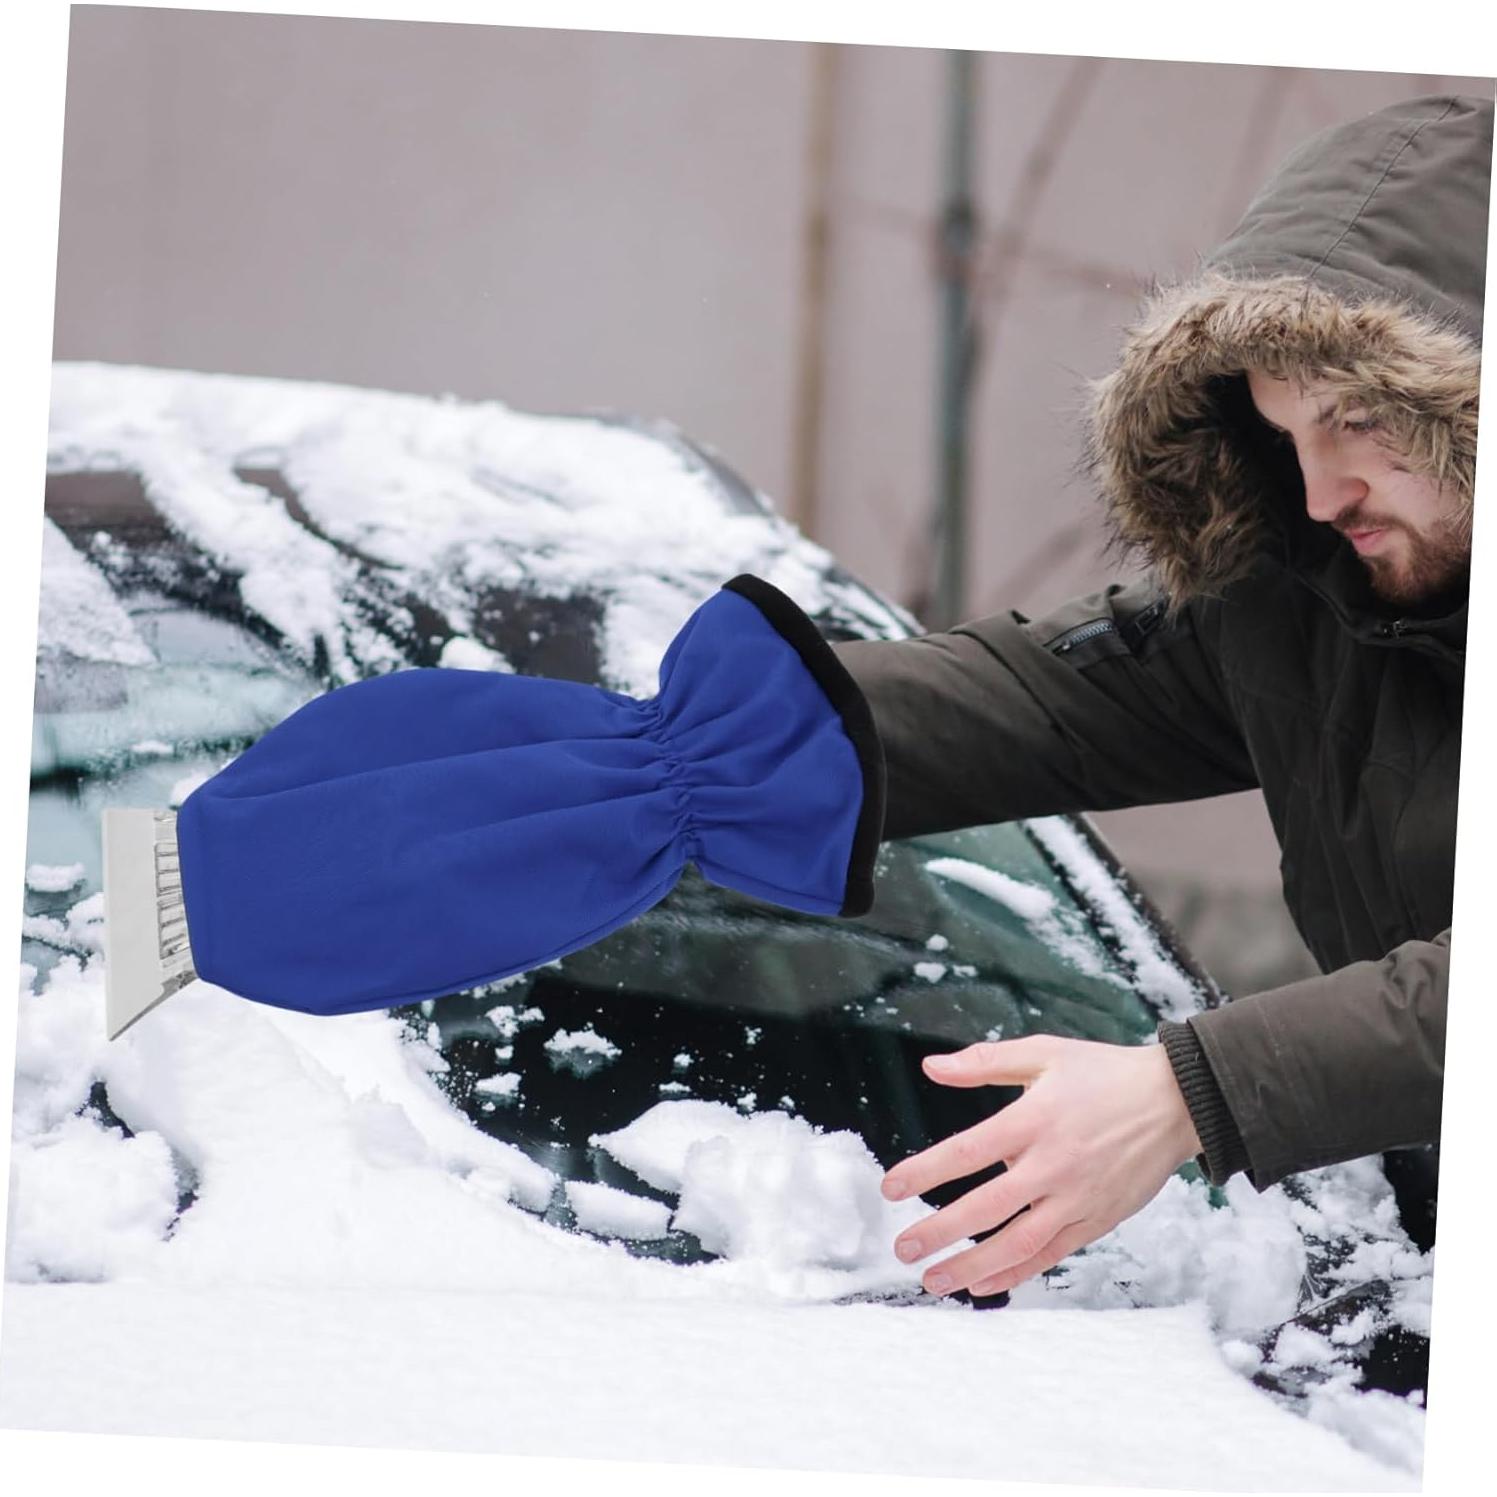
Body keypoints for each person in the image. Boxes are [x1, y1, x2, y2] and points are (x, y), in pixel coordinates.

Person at [825, 93, 1491, 1301]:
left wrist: (1191, 1090)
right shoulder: (1327, 593)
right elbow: (1060, 697)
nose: (1322, 490)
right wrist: (741, 748)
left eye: (1356, 421)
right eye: (1288, 437)